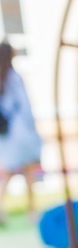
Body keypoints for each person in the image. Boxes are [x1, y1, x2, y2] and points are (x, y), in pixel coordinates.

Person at [0, 41, 43, 226]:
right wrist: (34, 129)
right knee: (28, 174)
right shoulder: (14, 77)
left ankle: (2, 210)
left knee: (6, 174)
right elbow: (25, 106)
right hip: (21, 133)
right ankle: (32, 211)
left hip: (6, 135)